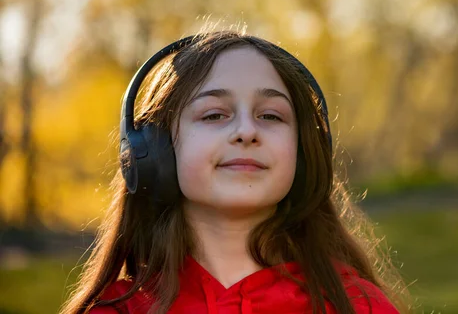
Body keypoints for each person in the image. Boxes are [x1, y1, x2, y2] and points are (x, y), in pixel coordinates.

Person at [60, 30, 411, 314]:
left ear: (304, 154)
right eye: (214, 114)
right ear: (156, 151)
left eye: (270, 116)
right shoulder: (117, 311)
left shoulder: (358, 306)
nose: (247, 131)